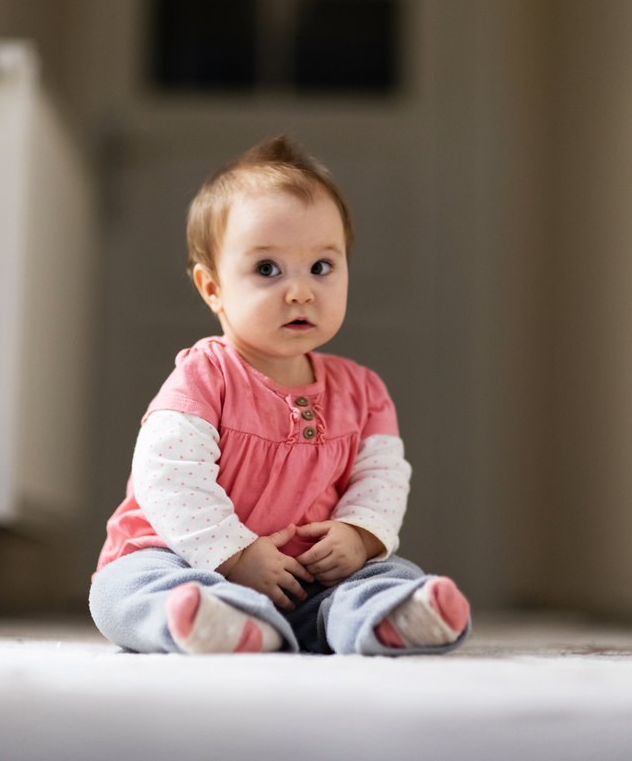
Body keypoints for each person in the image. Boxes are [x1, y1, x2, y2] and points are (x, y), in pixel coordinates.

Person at [89, 135, 471, 654]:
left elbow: (382, 477)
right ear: (212, 288)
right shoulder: (205, 376)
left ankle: (387, 619)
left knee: (389, 572)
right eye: (267, 269)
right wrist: (234, 556)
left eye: (322, 267)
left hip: (310, 577)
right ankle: (216, 620)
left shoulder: (363, 392)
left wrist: (358, 536)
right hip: (193, 558)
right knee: (121, 588)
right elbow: (170, 477)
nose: (300, 290)